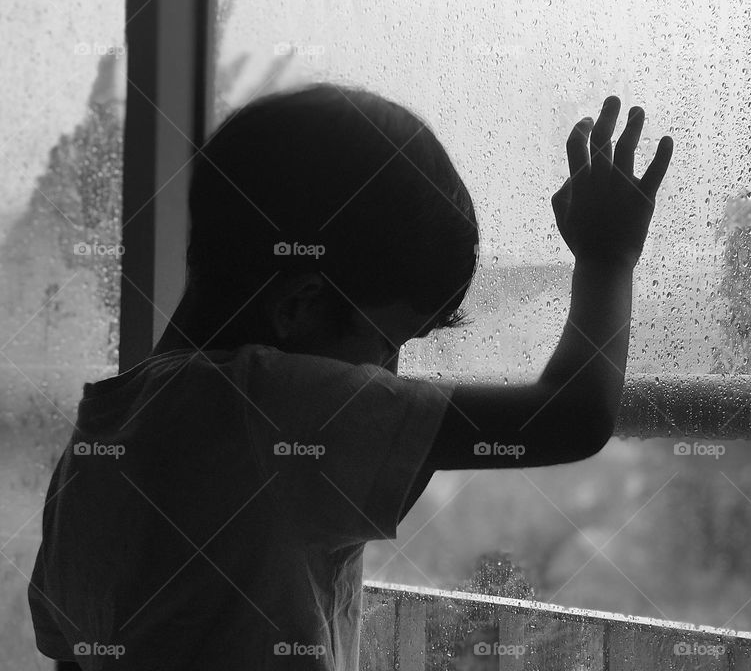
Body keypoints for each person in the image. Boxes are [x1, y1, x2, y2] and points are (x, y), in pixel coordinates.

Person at [30, 83, 673, 670]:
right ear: (300, 306)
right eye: (389, 343)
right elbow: (573, 416)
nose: (391, 378)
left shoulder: (97, 440)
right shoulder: (273, 403)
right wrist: (606, 258)